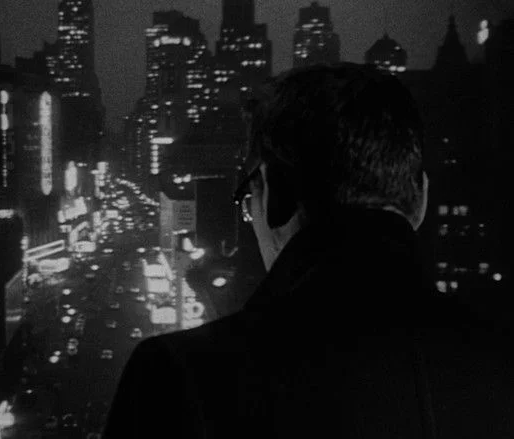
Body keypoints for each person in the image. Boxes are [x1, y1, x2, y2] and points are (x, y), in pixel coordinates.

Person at [103, 63, 513, 438]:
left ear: (275, 191)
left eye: (247, 201)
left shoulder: (177, 379)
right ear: (421, 198)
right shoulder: (499, 360)